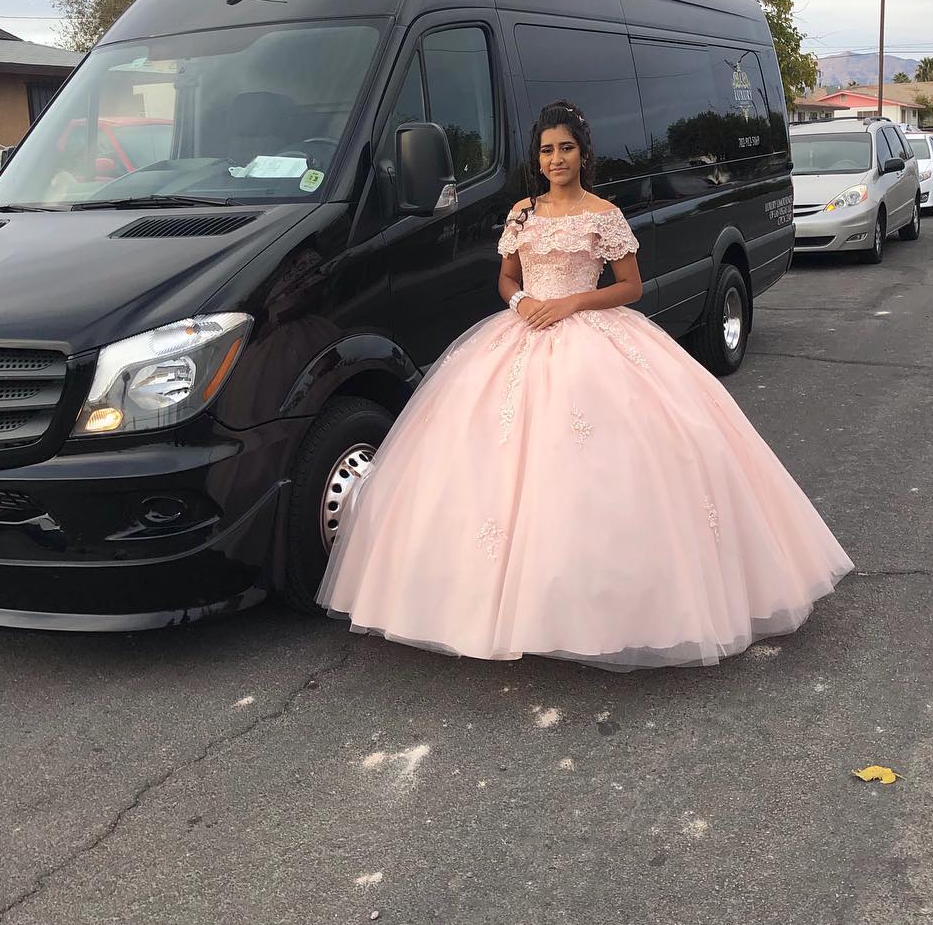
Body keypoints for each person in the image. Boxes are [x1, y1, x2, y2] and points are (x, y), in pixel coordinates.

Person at [318, 100, 853, 668]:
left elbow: (629, 286)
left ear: (582, 153)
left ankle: (605, 609)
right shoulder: (522, 213)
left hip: (592, 333)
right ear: (538, 157)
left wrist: (573, 302)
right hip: (519, 333)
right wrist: (522, 301)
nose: (556, 159)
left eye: (566, 148)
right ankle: (494, 608)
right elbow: (505, 275)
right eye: (547, 150)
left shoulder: (604, 214)